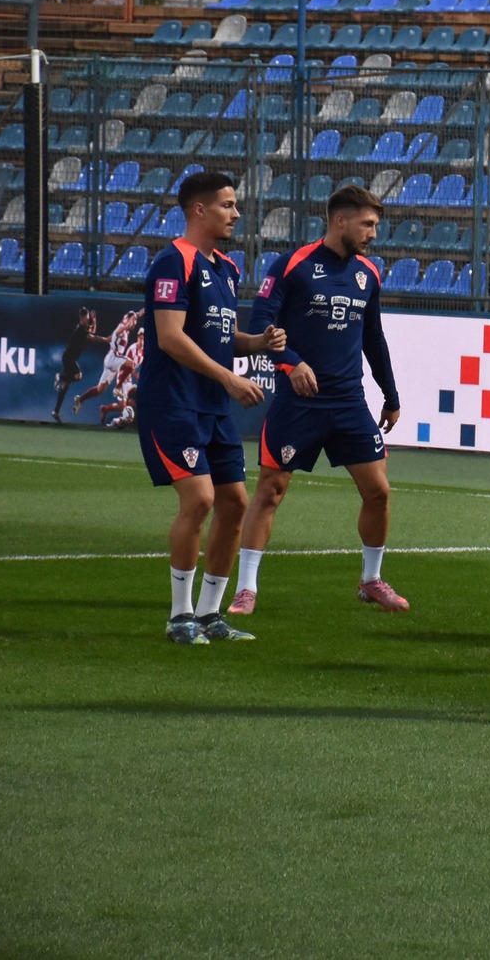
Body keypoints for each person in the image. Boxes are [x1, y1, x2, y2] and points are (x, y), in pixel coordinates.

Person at [232, 185, 404, 617]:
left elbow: (374, 339)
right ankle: (246, 589)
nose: (373, 234)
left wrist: (391, 394)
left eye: (376, 226)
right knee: (270, 491)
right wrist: (290, 363)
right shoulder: (293, 265)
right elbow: (260, 324)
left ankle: (371, 580)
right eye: (367, 224)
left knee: (379, 492)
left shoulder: (369, 273)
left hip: (349, 401)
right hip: (298, 402)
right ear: (339, 221)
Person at [141, 171, 284, 645]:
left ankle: (209, 615)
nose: (236, 213)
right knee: (200, 500)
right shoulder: (172, 261)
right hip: (174, 403)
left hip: (213, 407)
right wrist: (229, 376)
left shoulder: (226, 267)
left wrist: (256, 343)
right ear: (199, 210)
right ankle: (179, 616)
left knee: (235, 503)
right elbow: (171, 337)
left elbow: (220, 337)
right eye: (227, 205)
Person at [72, 310, 140, 417]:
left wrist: (141, 312)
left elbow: (137, 314)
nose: (134, 325)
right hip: (113, 358)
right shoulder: (122, 327)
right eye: (133, 322)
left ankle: (80, 399)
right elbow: (118, 332)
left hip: (111, 360)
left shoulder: (125, 329)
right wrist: (127, 325)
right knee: (131, 364)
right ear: (128, 321)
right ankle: (117, 388)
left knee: (100, 390)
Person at [52, 306, 100, 422]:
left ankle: (56, 411)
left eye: (88, 317)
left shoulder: (84, 327)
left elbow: (92, 330)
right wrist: (106, 340)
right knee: (78, 376)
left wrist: (94, 320)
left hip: (69, 358)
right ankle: (60, 376)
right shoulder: (81, 329)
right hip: (69, 358)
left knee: (65, 386)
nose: (88, 319)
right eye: (87, 317)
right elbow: (92, 337)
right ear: (82, 318)